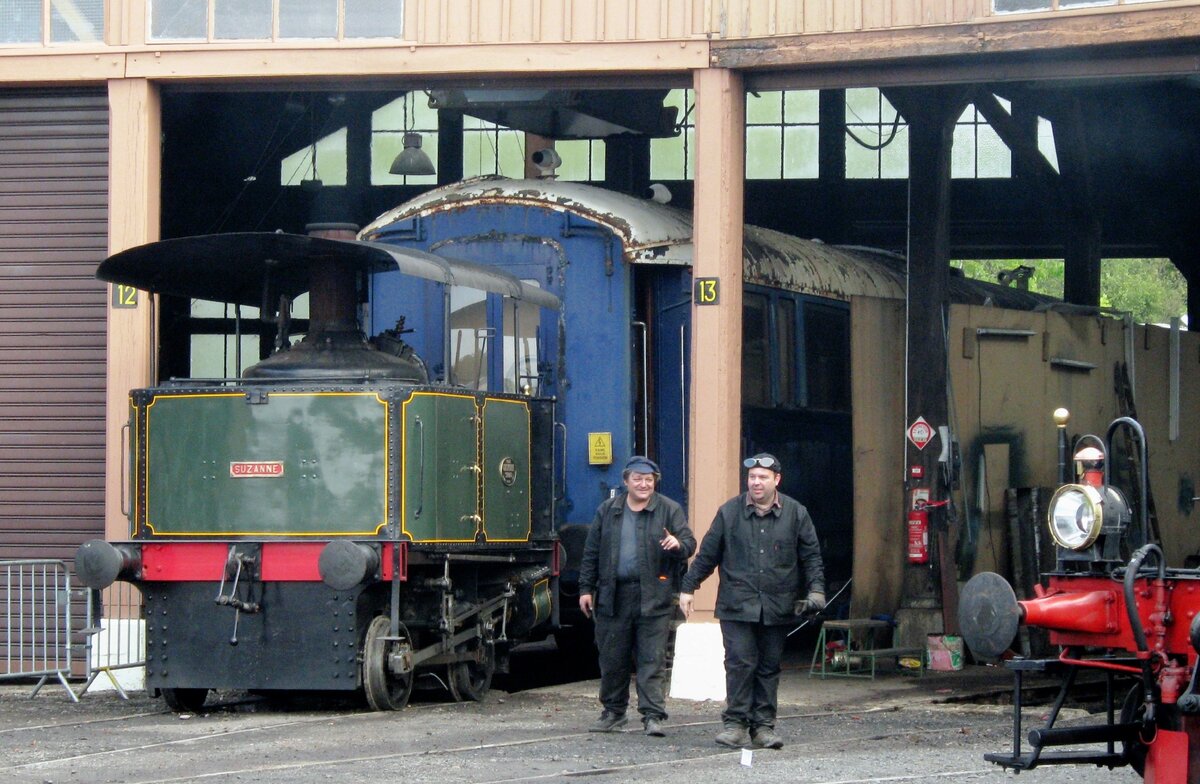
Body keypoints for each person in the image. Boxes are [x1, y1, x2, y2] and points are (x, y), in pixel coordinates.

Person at [678, 452, 825, 750]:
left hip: (777, 604)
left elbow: (811, 557)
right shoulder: (729, 513)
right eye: (752, 477)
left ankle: (763, 728)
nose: (756, 482)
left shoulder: (796, 513)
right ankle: (735, 725)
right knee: (739, 663)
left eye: (763, 477)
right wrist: (688, 587)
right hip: (737, 604)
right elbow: (708, 554)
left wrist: (817, 591)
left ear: (777, 480)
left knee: (768, 667)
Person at [578, 456, 696, 737]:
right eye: (638, 479)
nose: (644, 484)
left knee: (651, 659)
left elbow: (690, 544)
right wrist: (585, 588)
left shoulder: (669, 509)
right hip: (613, 595)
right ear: (626, 481)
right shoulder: (608, 511)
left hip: (654, 595)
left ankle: (653, 715)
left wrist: (678, 544)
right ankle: (613, 712)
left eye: (649, 480)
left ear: (655, 482)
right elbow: (591, 552)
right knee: (612, 658)